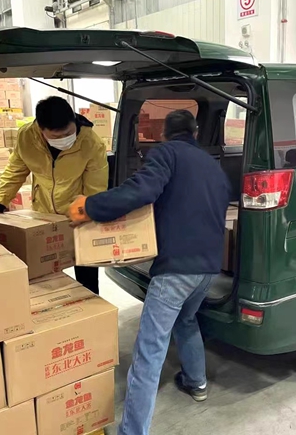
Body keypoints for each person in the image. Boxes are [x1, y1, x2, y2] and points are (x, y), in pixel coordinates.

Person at [68, 109, 230, 435]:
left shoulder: (167, 153)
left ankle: (132, 431)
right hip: (209, 268)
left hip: (176, 269)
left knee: (149, 350)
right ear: (195, 133)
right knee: (186, 321)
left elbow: (140, 190)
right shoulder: (214, 167)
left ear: (165, 135)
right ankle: (196, 382)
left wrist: (90, 206)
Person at [0, 96, 108, 294]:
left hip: (78, 214)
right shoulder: (27, 137)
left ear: (74, 121)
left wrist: (86, 214)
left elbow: (96, 186)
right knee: (44, 272)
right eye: (56, 136)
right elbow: (15, 170)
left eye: (68, 133)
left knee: (86, 270)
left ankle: (91, 306)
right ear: (41, 130)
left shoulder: (91, 142)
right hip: (43, 215)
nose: (64, 139)